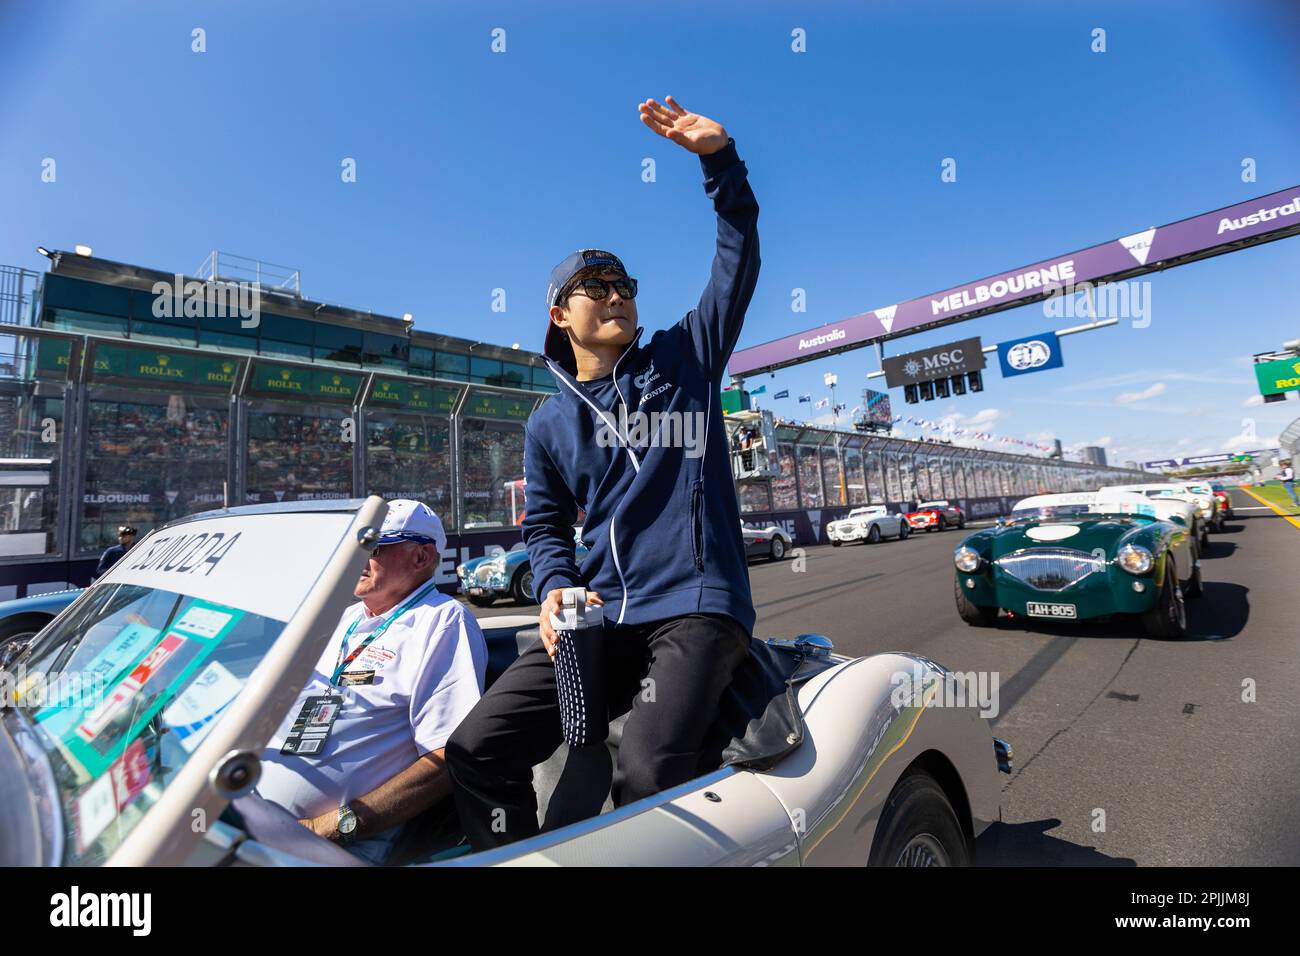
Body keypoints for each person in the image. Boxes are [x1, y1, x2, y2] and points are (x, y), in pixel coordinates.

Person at [447, 95, 760, 849]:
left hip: (694, 606)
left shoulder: (684, 360)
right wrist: (554, 586)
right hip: (600, 617)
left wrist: (720, 163)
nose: (618, 296)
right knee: (475, 749)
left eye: (626, 287)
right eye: (599, 287)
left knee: (647, 775)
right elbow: (546, 525)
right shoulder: (548, 420)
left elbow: (738, 253)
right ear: (560, 314)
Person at [256, 499, 487, 864]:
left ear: (421, 558)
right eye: (357, 547)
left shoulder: (442, 621)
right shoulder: (344, 616)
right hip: (257, 818)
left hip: (332, 845)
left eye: (374, 547)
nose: (358, 558)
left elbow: (447, 757)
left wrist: (332, 825)